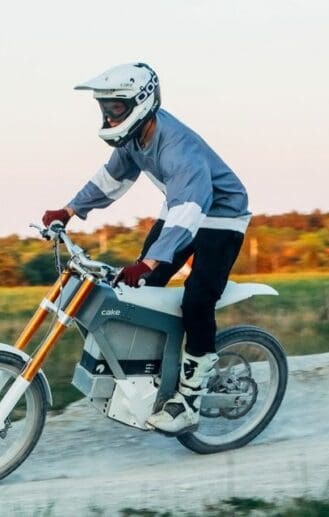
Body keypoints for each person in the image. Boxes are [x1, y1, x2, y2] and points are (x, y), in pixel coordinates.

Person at [42, 62, 251, 435]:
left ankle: (188, 401)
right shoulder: (135, 138)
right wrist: (69, 210)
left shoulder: (178, 147)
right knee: (139, 289)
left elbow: (191, 210)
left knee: (197, 299)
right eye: (104, 108)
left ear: (141, 102)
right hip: (180, 210)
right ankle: (154, 374)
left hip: (220, 216)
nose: (108, 116)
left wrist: (152, 260)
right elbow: (109, 180)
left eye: (115, 108)